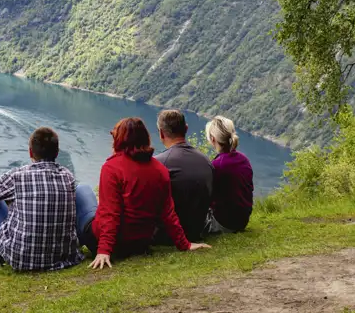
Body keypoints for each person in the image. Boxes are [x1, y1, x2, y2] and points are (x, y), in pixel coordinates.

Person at [79, 117, 211, 270]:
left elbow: (111, 213)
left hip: (109, 243)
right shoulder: (159, 169)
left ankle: (69, 247)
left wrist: (104, 250)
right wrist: (184, 244)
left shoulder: (112, 168)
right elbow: (168, 212)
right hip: (141, 243)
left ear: (120, 139)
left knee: (82, 191)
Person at [0, 127, 83, 272]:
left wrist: (11, 201)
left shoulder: (17, 176)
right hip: (63, 257)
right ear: (57, 153)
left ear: (30, 152)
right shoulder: (68, 176)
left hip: (22, 259)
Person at [154, 109, 213, 242]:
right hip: (197, 230)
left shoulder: (159, 163)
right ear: (186, 129)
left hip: (166, 235)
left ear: (161, 133)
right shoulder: (205, 160)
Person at [205, 116, 254, 233]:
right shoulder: (243, 159)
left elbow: (208, 197)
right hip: (242, 220)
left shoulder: (217, 165)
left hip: (224, 223)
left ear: (212, 139)